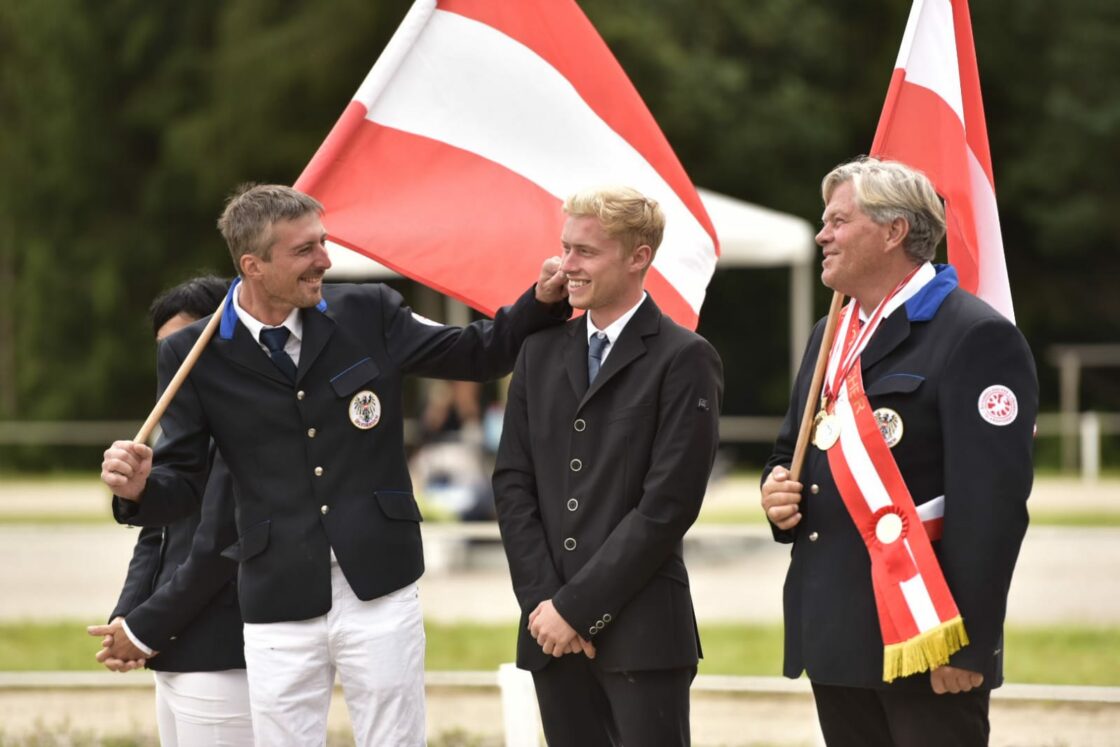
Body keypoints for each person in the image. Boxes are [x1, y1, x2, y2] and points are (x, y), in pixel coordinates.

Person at [100, 183, 570, 746]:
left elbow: (480, 351)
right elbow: (183, 487)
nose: (325, 259)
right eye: (305, 250)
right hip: (277, 595)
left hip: (380, 584)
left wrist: (540, 302)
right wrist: (139, 487)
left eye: (323, 243)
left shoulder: (370, 310)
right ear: (253, 265)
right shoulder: (190, 353)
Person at [760, 157, 1037, 746]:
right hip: (836, 630)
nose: (821, 235)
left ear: (893, 232)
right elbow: (793, 451)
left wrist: (967, 646)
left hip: (927, 634)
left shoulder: (974, 335)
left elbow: (992, 508)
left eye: (838, 221)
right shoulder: (830, 333)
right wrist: (776, 492)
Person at [493, 186, 723, 746]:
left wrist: (576, 610)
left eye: (585, 252)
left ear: (639, 257)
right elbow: (512, 484)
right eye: (565, 247)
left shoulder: (684, 357)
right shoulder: (538, 352)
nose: (566, 265)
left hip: (643, 634)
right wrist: (546, 607)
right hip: (548, 633)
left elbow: (666, 507)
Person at [88, 275, 252, 746]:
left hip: (223, 653)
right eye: (168, 350)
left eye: (189, 345)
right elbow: (155, 536)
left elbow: (220, 547)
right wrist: (126, 617)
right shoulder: (177, 432)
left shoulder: (248, 424)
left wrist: (143, 629)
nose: (178, 362)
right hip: (172, 647)